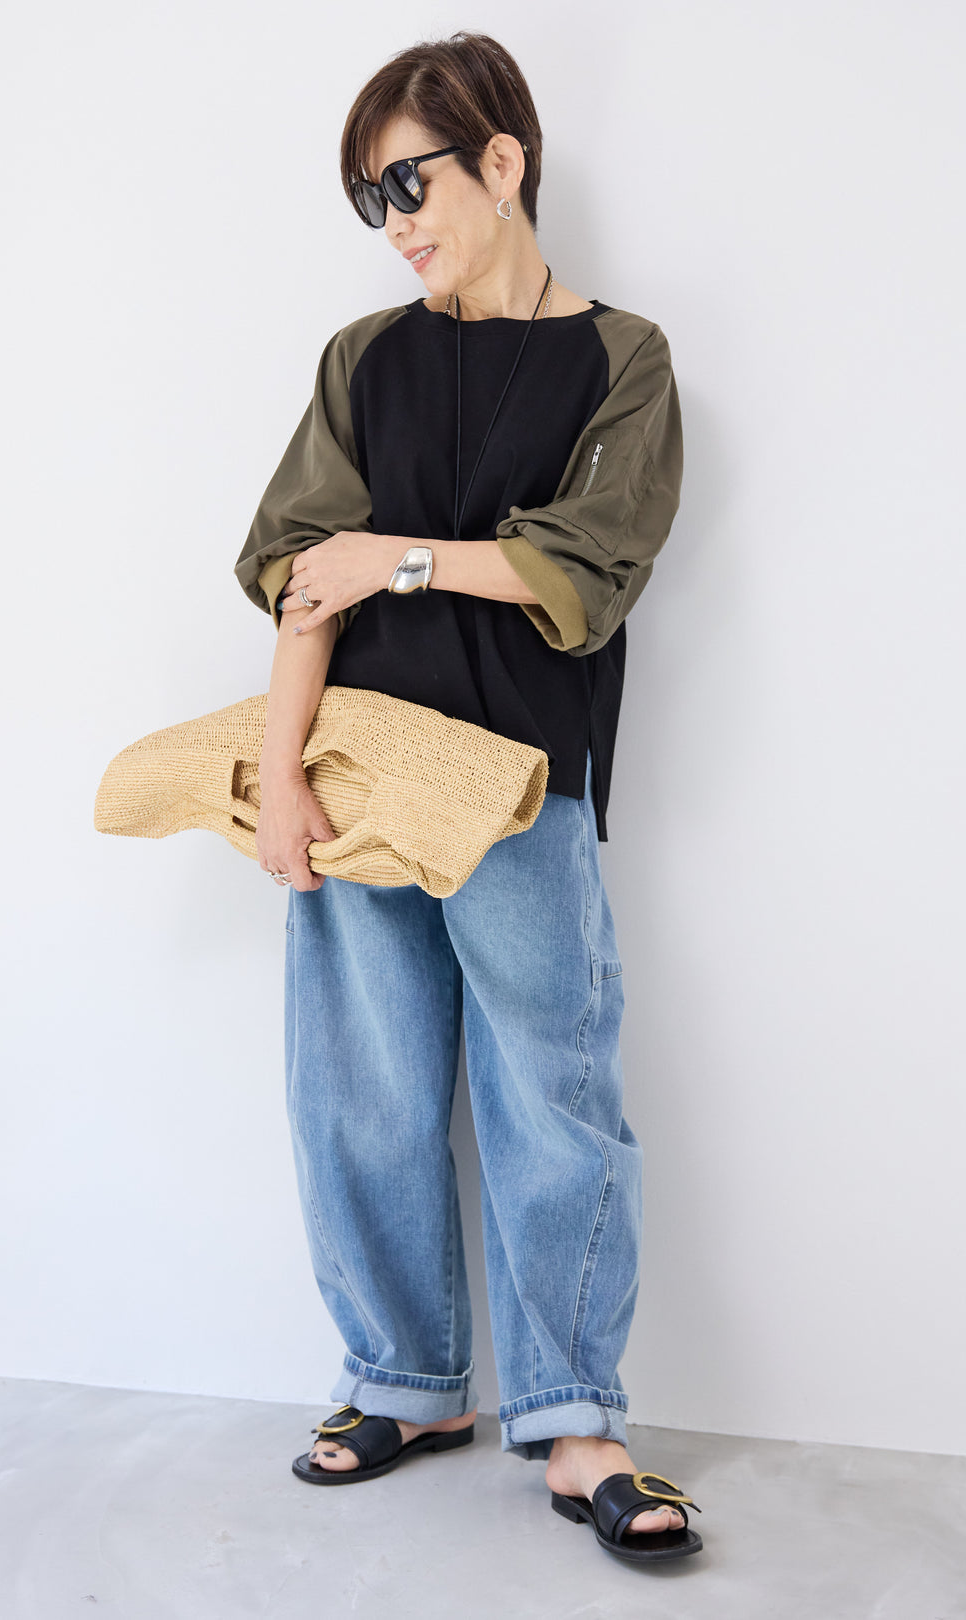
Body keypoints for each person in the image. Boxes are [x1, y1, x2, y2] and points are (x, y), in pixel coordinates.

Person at [233, 32, 700, 1564]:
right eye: (371, 198)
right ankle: (403, 1381)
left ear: (504, 160)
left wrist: (405, 556)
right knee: (358, 1086)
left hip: (515, 782)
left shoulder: (621, 360)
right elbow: (303, 579)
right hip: (361, 770)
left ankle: (577, 1420)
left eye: (411, 183)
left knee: (552, 1093)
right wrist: (282, 778)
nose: (395, 223)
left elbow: (587, 571)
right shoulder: (364, 360)